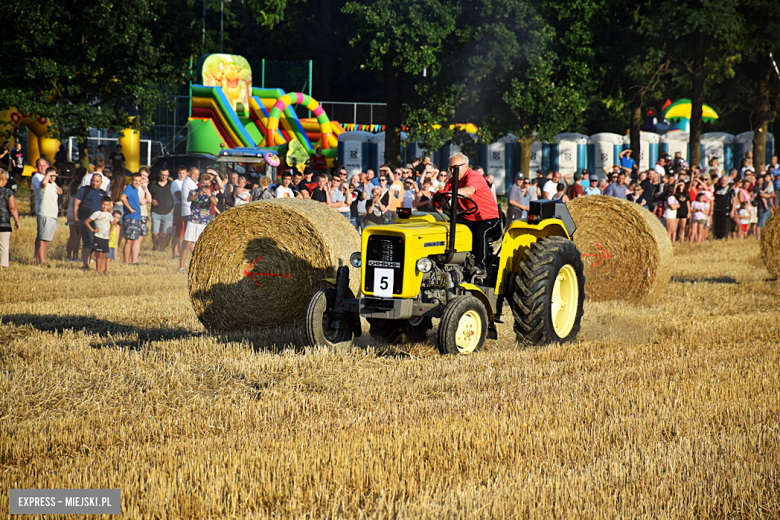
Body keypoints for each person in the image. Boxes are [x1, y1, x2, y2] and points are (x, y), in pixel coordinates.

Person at [437, 153, 500, 271]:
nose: (451, 171)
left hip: (488, 218)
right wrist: (438, 199)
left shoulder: (473, 176)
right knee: (446, 227)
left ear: (465, 166)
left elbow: (469, 191)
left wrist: (449, 194)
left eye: (455, 168)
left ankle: (481, 266)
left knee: (481, 231)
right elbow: (444, 200)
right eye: (450, 168)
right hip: (468, 218)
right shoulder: (451, 181)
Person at [180, 173, 218, 272]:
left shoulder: (211, 194)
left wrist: (210, 196)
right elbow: (189, 199)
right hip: (193, 220)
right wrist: (198, 195)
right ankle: (181, 266)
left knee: (202, 245)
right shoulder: (194, 191)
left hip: (204, 222)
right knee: (187, 244)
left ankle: (200, 267)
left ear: (209, 184)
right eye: (203, 183)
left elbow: (215, 203)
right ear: (199, 183)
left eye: (207, 183)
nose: (205, 185)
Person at [73, 173, 108, 270]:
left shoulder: (103, 193)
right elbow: (76, 204)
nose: (94, 183)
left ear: (101, 183)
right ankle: (85, 264)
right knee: (87, 241)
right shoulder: (84, 190)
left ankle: (94, 263)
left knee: (95, 243)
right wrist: (76, 218)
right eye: (93, 180)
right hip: (86, 220)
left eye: (97, 181)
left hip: (98, 222)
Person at [33, 162, 61, 266]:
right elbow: (43, 184)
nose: (53, 177)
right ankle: (42, 261)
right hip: (45, 212)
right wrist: (48, 174)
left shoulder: (52, 184)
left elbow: (60, 191)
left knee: (46, 239)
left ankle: (40, 258)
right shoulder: (40, 180)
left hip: (52, 213)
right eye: (51, 175)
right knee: (42, 239)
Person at [83, 197, 113, 274]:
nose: (105, 206)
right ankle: (98, 271)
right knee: (98, 255)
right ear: (100, 204)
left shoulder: (109, 215)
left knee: (103, 255)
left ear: (109, 206)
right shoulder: (97, 213)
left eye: (107, 205)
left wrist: (110, 233)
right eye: (103, 204)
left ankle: (101, 270)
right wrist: (93, 230)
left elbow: (112, 225)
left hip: (105, 237)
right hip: (98, 236)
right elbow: (87, 222)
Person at [121, 172, 144, 265]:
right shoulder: (129, 189)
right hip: (130, 218)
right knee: (129, 241)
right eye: (135, 181)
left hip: (136, 217)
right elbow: (123, 197)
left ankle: (130, 261)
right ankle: (126, 262)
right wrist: (130, 208)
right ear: (131, 180)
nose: (137, 183)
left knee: (132, 240)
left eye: (139, 181)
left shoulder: (136, 190)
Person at [149, 166, 174, 251]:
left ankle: (162, 249)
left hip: (168, 212)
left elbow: (175, 198)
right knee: (155, 233)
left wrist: (173, 209)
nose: (164, 177)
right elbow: (148, 196)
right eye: (162, 175)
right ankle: (155, 246)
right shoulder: (153, 184)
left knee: (165, 234)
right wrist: (151, 200)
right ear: (159, 174)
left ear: (168, 175)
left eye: (166, 175)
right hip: (156, 212)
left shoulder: (171, 185)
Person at [0, 169, 20, 268]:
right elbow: (13, 208)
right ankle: (3, 265)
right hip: (4, 223)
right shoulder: (8, 192)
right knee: (4, 246)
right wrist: (17, 221)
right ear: (3, 179)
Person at [66, 167, 86, 262]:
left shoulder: (71, 185)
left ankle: (68, 256)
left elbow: (68, 199)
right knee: (77, 236)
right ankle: (75, 256)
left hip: (69, 211)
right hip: (76, 212)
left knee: (71, 235)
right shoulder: (80, 187)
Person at [711, 175, 734, 240]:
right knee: (717, 224)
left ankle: (725, 237)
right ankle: (717, 237)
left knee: (725, 224)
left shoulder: (730, 189)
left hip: (726, 209)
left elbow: (734, 200)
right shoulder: (717, 188)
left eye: (725, 181)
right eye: (722, 180)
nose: (723, 182)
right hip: (717, 209)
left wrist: (732, 210)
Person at [756, 173, 775, 241]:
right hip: (762, 208)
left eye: (762, 180)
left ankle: (764, 237)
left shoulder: (764, 185)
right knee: (760, 223)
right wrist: (770, 195)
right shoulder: (756, 188)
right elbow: (762, 195)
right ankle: (758, 237)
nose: (760, 181)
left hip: (768, 207)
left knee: (766, 223)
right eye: (759, 180)